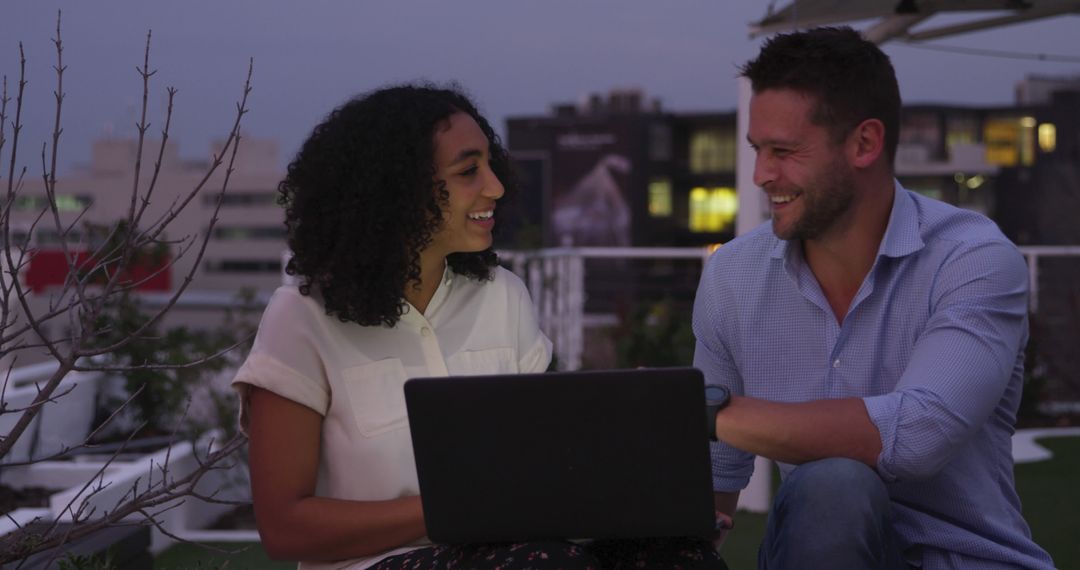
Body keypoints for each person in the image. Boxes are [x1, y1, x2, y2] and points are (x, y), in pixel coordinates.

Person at [233, 84, 725, 570]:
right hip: (380, 564)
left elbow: (543, 469)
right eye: (469, 170)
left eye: (490, 165)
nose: (496, 186)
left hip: (516, 552)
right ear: (396, 190)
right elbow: (284, 527)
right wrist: (460, 512)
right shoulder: (300, 319)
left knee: (678, 554)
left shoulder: (502, 295)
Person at [693, 27, 1054, 569]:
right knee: (831, 489)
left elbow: (917, 434)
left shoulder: (973, 258)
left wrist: (706, 411)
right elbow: (714, 489)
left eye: (785, 151)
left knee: (835, 483)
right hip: (818, 547)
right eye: (758, 150)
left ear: (865, 143)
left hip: (966, 560)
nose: (762, 175)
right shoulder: (732, 276)